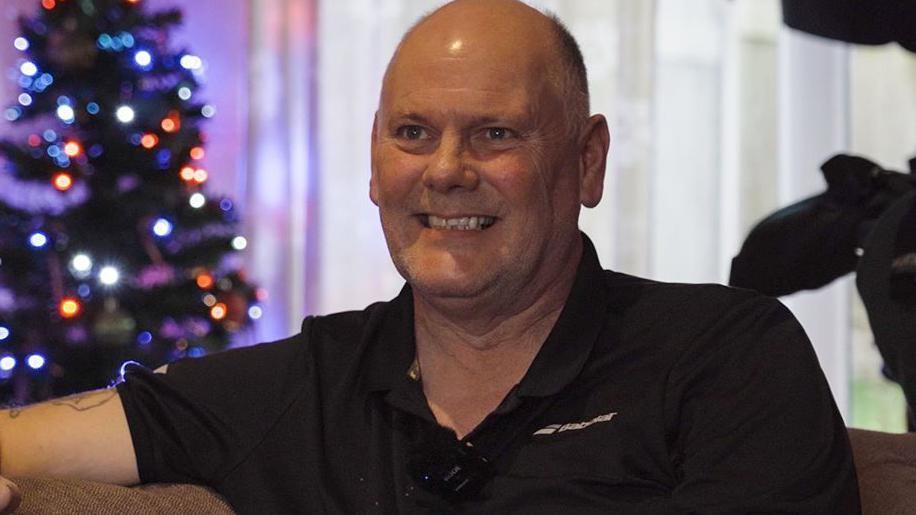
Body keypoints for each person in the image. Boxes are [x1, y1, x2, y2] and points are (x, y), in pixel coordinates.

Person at [0, 0, 860, 512]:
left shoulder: (724, 355)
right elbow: (24, 442)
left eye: (496, 133)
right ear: (376, 165)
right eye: (414, 134)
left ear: (586, 161)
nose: (446, 171)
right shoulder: (306, 385)